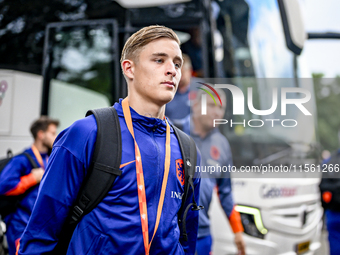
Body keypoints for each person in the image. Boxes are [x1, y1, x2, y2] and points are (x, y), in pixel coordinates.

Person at [17, 25, 201, 255]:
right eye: (159, 60)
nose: (172, 70)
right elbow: (41, 232)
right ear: (129, 68)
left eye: (176, 63)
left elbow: (188, 234)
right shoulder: (87, 133)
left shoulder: (187, 150)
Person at [191, 88, 246, 255]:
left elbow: (226, 191)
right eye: (211, 105)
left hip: (203, 235)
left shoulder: (222, 144)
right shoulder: (173, 132)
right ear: (196, 106)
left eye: (221, 108)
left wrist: (237, 232)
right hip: (172, 234)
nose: (217, 112)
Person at [0, 116, 59, 255]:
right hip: (20, 225)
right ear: (41, 134)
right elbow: (3, 186)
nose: (56, 137)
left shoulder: (48, 158)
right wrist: (32, 178)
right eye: (52, 133)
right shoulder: (22, 159)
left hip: (37, 226)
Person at [165, 54, 192, 134]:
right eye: (176, 73)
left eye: (182, 73)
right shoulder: (167, 92)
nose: (179, 77)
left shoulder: (201, 91)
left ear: (189, 71)